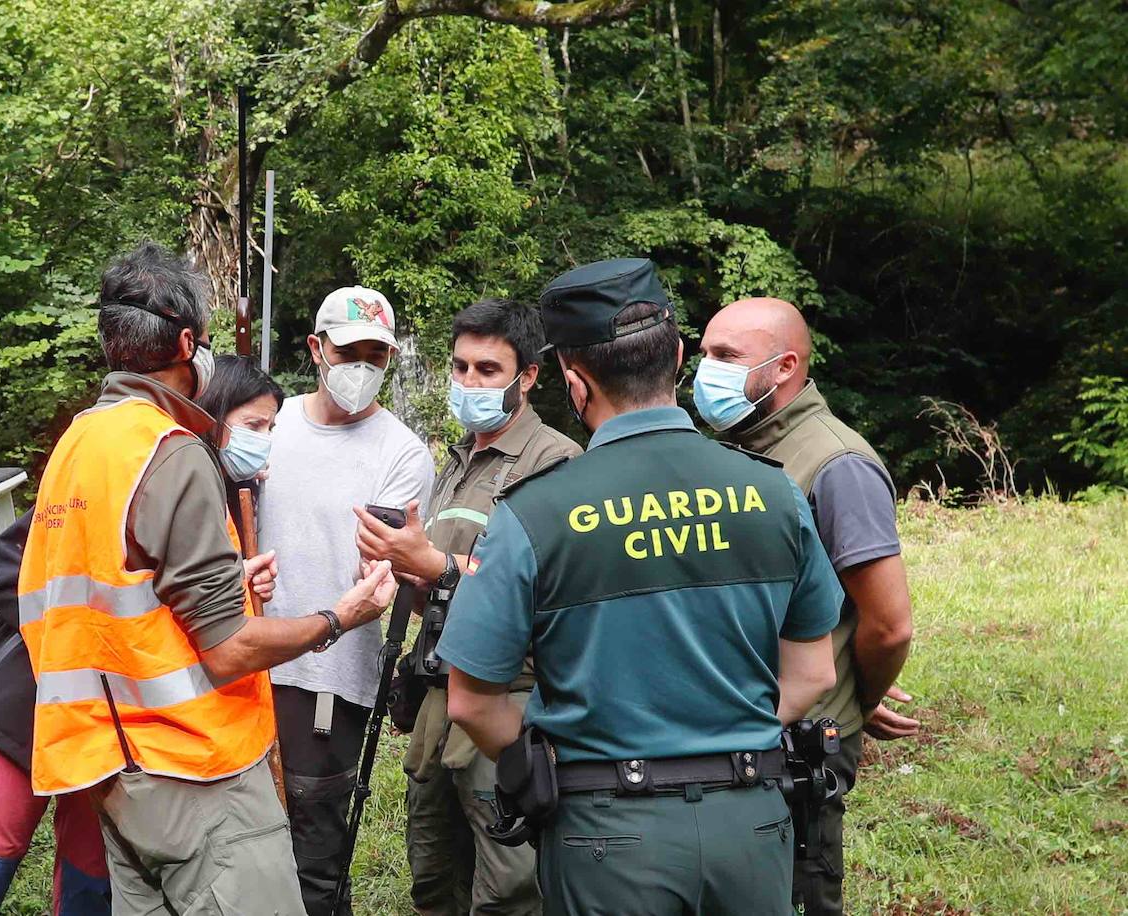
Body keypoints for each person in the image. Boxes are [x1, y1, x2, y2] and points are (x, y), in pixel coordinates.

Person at [439, 258, 845, 916]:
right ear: (678, 357)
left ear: (574, 382)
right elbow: (814, 672)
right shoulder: (773, 492)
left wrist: (562, 763)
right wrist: (721, 741)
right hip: (751, 825)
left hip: (605, 834)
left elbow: (471, 702)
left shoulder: (532, 513)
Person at [17, 244, 399, 915]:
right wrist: (341, 617)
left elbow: (99, 598)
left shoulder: (77, 444)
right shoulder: (170, 451)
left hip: (112, 768)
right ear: (187, 344)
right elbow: (227, 651)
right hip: (195, 767)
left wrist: (223, 584)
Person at [0, 348, 288, 916]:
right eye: (254, 425)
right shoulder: (122, 469)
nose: (263, 442)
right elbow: (7, 571)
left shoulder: (207, 487)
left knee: (90, 881)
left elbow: (160, 606)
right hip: (25, 708)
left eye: (271, 429)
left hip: (109, 733)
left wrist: (227, 586)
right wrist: (84, 637)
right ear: (214, 415)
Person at [353, 298, 580, 915]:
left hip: (510, 706)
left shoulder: (556, 463)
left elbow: (550, 589)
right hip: (438, 703)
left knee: (508, 891)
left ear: (527, 377)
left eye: (487, 369)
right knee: (433, 881)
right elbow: (441, 588)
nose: (469, 382)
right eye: (460, 367)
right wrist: (398, 568)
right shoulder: (456, 463)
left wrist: (435, 565)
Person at [697, 297, 917, 916]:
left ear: (785, 367)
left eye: (725, 356)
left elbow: (889, 624)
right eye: (705, 354)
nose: (706, 371)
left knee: (796, 892)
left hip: (800, 740)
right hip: (735, 723)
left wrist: (858, 698)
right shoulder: (735, 447)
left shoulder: (836, 465)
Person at [257, 286, 436, 916]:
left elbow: (387, 563)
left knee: (315, 855)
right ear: (316, 348)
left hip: (328, 678)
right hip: (245, 661)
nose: (361, 367)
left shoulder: (403, 453)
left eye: (375, 356)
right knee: (247, 845)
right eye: (348, 352)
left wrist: (379, 569)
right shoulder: (268, 427)